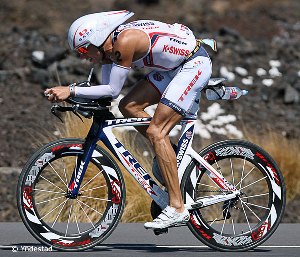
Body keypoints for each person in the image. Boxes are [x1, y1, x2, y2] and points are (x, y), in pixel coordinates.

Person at [45, 10, 216, 230]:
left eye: (82, 49)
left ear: (97, 39)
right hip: (174, 68)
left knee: (156, 132)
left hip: (193, 65)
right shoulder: (108, 52)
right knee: (129, 106)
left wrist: (71, 90)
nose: (81, 56)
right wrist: (76, 97)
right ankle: (169, 157)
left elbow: (113, 89)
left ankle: (177, 208)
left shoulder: (124, 42)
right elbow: (108, 95)